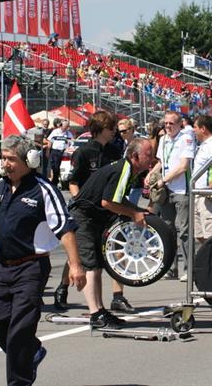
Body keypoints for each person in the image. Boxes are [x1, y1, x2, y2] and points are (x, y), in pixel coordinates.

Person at [0, 135, 86, 386]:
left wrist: (76, 265)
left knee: (20, 329)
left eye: (11, 159)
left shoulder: (43, 189)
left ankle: (20, 381)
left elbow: (65, 228)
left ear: (30, 160)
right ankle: (33, 352)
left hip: (30, 268)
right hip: (1, 267)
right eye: (3, 158)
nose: (6, 164)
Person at [53, 111, 133, 312]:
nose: (114, 130)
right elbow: (73, 182)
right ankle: (63, 287)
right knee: (81, 255)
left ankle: (118, 296)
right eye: (111, 127)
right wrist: (79, 202)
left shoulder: (115, 152)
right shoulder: (84, 152)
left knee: (113, 252)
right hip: (86, 209)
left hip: (108, 208)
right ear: (99, 129)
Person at [69, 138, 153, 328]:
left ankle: (100, 310)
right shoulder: (124, 169)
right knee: (90, 265)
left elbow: (119, 198)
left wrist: (140, 211)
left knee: (98, 265)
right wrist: (133, 213)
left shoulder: (129, 170)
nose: (152, 159)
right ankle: (95, 313)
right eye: (148, 155)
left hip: (94, 217)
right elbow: (107, 202)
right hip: (83, 215)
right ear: (134, 156)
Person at [144, 111, 195, 280]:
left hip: (181, 190)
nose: (167, 126)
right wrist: (151, 174)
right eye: (165, 123)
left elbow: (183, 166)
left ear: (180, 124)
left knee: (184, 231)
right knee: (168, 229)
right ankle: (171, 268)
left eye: (171, 123)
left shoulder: (186, 139)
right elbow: (161, 162)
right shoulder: (164, 139)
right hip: (166, 191)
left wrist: (163, 180)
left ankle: (189, 269)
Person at [192, 115, 212, 255]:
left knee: (211, 235)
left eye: (195, 127)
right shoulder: (204, 145)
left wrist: (211, 187)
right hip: (198, 194)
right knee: (199, 235)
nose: (194, 130)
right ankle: (211, 260)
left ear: (203, 129)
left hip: (208, 196)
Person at [46, 119, 73, 187]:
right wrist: (48, 151)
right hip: (55, 151)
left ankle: (57, 181)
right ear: (61, 125)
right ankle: (55, 180)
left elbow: (71, 143)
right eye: (65, 126)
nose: (67, 128)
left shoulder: (68, 134)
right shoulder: (55, 132)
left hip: (64, 152)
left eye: (67, 126)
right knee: (55, 167)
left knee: (61, 167)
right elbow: (50, 142)